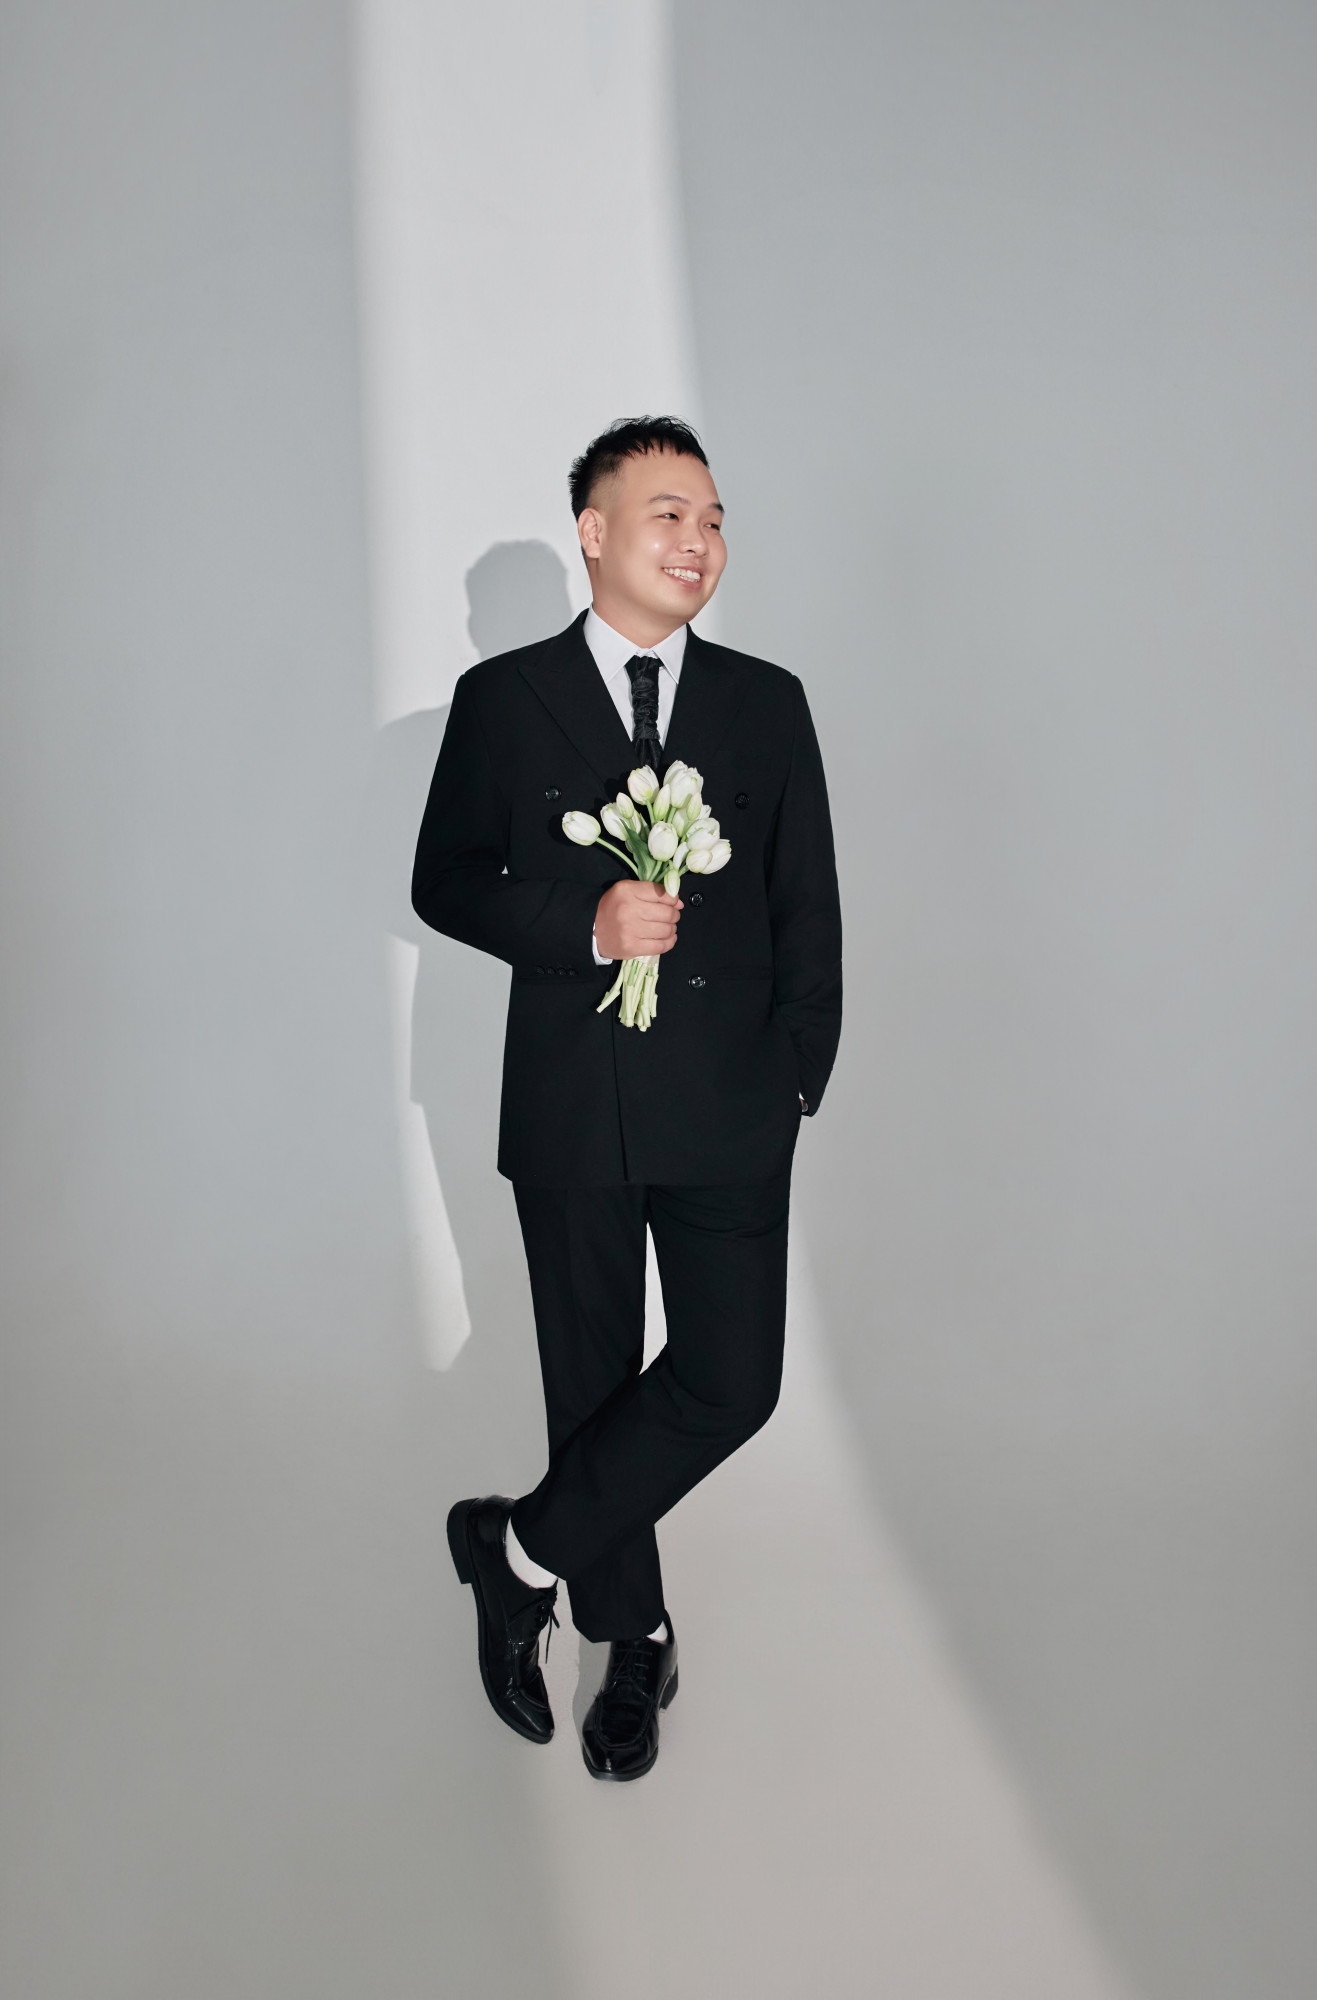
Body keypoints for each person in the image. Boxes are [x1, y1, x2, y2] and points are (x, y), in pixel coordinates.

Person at [412, 416, 841, 1780]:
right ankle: (633, 1637)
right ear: (593, 534)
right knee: (592, 1384)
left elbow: (805, 897)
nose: (697, 540)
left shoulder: (766, 701)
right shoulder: (502, 699)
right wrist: (583, 924)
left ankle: (515, 1553)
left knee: (730, 1380)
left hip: (730, 1100)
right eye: (668, 514)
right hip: (570, 1101)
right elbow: (443, 881)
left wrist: (798, 1069)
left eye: (712, 519)